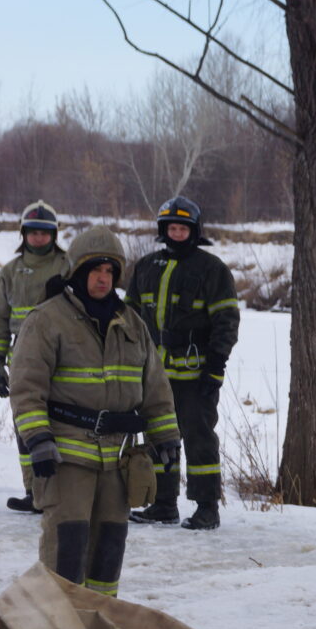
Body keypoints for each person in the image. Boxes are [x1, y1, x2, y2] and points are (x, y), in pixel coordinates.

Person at [8, 226, 180, 597]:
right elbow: (25, 388)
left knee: (109, 548)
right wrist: (38, 440)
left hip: (118, 458)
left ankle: (101, 622)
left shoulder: (131, 323)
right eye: (95, 271)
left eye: (110, 272)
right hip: (65, 455)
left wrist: (166, 436)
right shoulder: (47, 319)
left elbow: (155, 386)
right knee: (66, 548)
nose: (103, 279)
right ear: (77, 272)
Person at [125, 197, 240, 531]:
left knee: (199, 437)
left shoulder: (212, 269)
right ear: (163, 231)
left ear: (194, 231)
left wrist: (216, 366)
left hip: (195, 374)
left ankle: (207, 508)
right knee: (159, 437)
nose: (176, 233)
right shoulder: (146, 267)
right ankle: (163, 504)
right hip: (153, 374)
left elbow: (226, 321)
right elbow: (129, 318)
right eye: (171, 228)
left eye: (183, 228)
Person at [0, 201, 73, 513]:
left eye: (44, 233)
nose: (38, 238)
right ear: (23, 234)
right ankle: (34, 492)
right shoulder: (10, 272)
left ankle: (64, 493)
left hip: (65, 360)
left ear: (54, 235)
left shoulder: (68, 266)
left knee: (63, 426)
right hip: (22, 361)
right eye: (33, 233)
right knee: (27, 426)